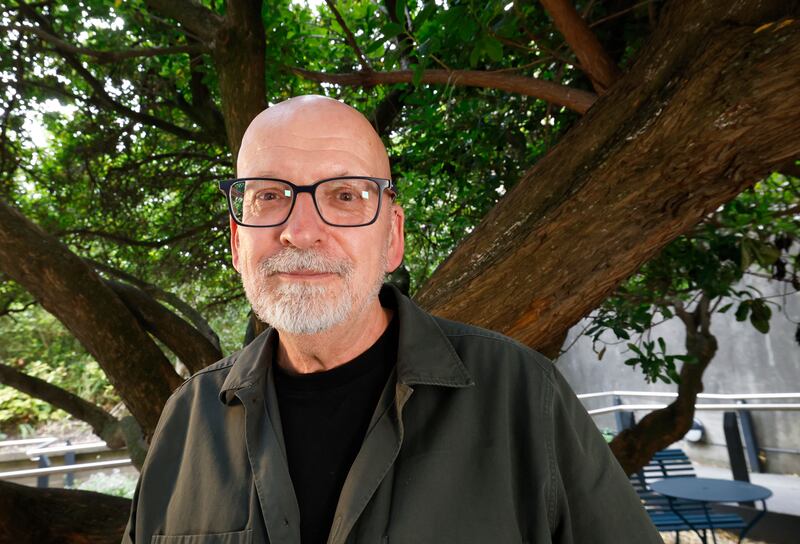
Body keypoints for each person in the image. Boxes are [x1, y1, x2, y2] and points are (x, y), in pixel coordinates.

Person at [123, 95, 662, 544]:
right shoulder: (187, 420)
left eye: (344, 196)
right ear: (239, 242)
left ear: (393, 237)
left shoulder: (523, 396)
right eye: (269, 196)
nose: (301, 231)